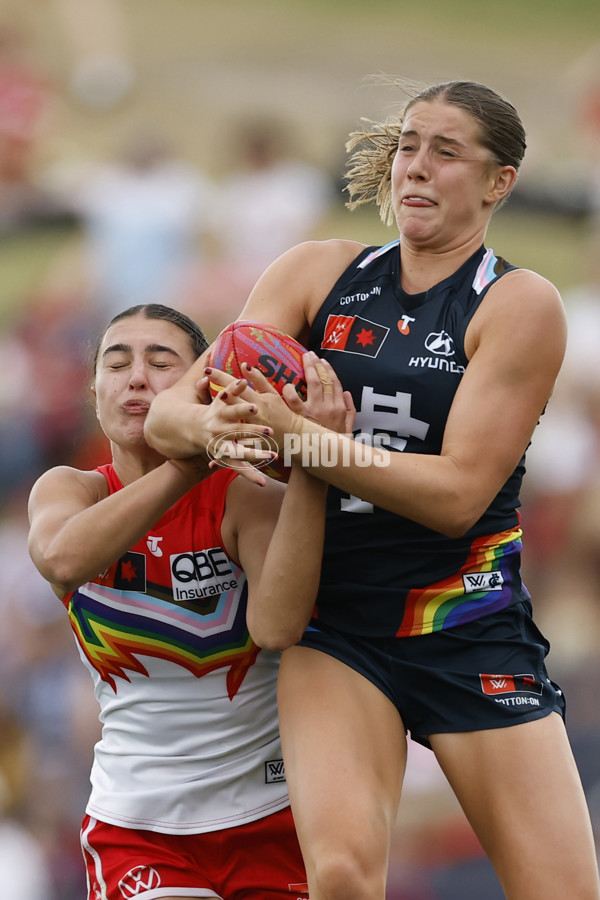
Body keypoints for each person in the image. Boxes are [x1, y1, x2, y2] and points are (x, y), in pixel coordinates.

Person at [144, 80, 600, 900]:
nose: (416, 168)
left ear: (501, 182)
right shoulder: (318, 272)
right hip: (337, 625)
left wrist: (301, 438)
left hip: (469, 623)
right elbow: (171, 416)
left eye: (447, 152)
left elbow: (458, 494)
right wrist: (215, 428)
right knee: (346, 875)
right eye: (409, 147)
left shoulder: (519, 303)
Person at [27, 302, 353, 900]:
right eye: (116, 363)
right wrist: (192, 461)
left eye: (161, 362)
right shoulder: (70, 489)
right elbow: (64, 560)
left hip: (273, 816)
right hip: (138, 827)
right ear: (94, 388)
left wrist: (312, 460)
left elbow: (278, 626)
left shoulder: (249, 496)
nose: (136, 378)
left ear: (202, 384)